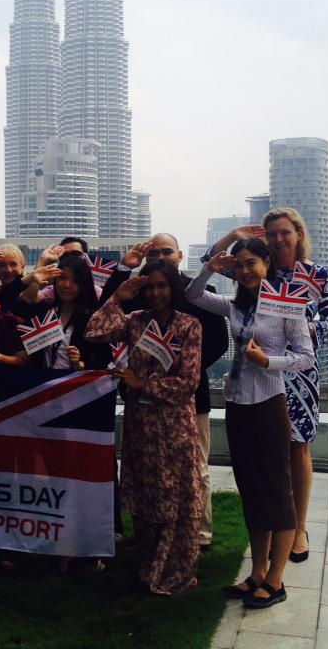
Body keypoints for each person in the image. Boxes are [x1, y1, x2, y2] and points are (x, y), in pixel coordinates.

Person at [186, 238, 315, 609]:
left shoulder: (286, 304)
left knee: (277, 490)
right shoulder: (235, 305)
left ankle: (276, 580)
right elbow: (193, 295)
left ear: (267, 263)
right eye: (239, 265)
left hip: (269, 404)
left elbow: (306, 357)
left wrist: (269, 361)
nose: (245, 271)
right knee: (252, 491)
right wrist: (211, 267)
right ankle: (257, 573)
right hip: (237, 403)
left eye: (251, 263)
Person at [207, 210, 328, 562]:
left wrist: (303, 327)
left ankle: (298, 528)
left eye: (285, 232)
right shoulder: (258, 266)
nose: (279, 239)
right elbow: (210, 263)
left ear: (298, 234)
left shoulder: (316, 275)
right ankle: (272, 530)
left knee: (298, 447)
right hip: (256, 372)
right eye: (272, 234)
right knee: (268, 456)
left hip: (298, 371)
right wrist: (233, 235)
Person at [100, 233, 229, 551]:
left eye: (166, 251)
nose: (160, 257)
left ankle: (199, 534)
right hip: (142, 401)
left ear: (180, 255)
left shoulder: (200, 292)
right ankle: (153, 532)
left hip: (187, 397)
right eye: (154, 252)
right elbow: (106, 311)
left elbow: (219, 343)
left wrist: (181, 368)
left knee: (195, 467)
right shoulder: (141, 292)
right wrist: (123, 270)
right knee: (148, 470)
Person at [85, 260, 203, 596]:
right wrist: (117, 298)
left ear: (173, 287)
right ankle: (149, 564)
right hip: (141, 424)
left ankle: (176, 568)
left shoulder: (189, 325)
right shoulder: (136, 321)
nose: (155, 293)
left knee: (176, 495)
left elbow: (188, 382)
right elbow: (94, 332)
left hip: (174, 425)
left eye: (162, 285)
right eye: (150, 286)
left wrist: (144, 384)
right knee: (147, 495)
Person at [0, 252, 110, 371]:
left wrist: (82, 364)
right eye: (62, 278)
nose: (67, 285)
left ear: (84, 284)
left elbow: (105, 361)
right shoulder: (43, 310)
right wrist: (29, 279)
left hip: (74, 382)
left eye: (75, 281)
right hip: (41, 380)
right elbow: (4, 298)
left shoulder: (93, 319)